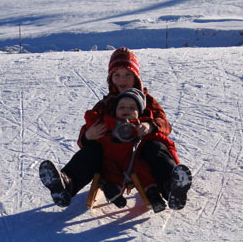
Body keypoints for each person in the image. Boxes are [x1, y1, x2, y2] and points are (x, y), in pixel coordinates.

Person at [39, 47, 192, 211]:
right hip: (111, 158)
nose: (122, 79)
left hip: (140, 156)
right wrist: (87, 136)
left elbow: (165, 124)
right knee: (92, 151)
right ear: (111, 78)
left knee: (156, 148)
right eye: (117, 75)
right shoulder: (106, 104)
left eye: (127, 74)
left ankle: (171, 186)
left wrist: (151, 125)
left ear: (136, 77)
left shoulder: (147, 101)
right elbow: (87, 129)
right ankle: (66, 185)